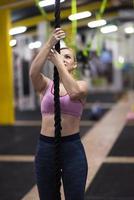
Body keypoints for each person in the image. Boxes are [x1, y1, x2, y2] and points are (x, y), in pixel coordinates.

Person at [29, 28, 88, 200]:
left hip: (72, 149)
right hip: (46, 147)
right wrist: (49, 43)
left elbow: (74, 93)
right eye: (60, 55)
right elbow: (33, 73)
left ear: (74, 64)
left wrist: (58, 62)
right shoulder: (46, 85)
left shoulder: (82, 85)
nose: (63, 58)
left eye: (68, 57)